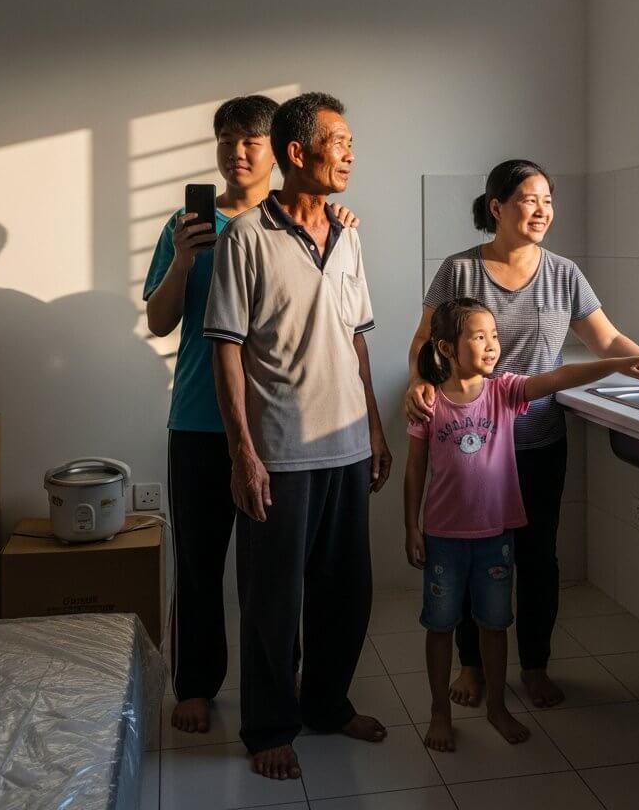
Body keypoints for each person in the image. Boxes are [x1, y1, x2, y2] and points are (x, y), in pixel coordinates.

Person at [405, 159, 639, 710]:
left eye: (548, 202)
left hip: (536, 442)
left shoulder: (564, 274)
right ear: (497, 208)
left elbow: (608, 342)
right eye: (529, 200)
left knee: (536, 557)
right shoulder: (459, 271)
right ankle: (470, 665)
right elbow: (424, 342)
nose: (542, 212)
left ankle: (533, 665)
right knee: (465, 556)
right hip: (469, 445)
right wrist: (418, 384)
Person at [143, 95, 359, 736]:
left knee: (282, 576)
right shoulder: (191, 226)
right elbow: (159, 321)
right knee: (201, 564)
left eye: (249, 141)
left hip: (282, 431)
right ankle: (198, 684)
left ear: (279, 153)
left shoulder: (310, 222)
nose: (235, 153)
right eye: (225, 140)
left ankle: (291, 690)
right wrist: (183, 260)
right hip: (202, 423)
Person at [205, 92, 392, 780]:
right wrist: (242, 452)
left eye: (348, 141)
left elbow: (356, 340)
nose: (349, 153)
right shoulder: (245, 238)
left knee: (347, 594)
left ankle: (327, 705)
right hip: (280, 451)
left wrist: (374, 427)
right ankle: (269, 727)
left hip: (346, 446)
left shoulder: (349, 235)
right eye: (338, 141)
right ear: (298, 152)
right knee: (271, 601)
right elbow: (227, 348)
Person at [405, 297, 639, 751]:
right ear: (445, 347)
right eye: (478, 336)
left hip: (496, 535)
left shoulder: (504, 392)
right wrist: (411, 527)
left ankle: (498, 707)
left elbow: (560, 377)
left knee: (495, 623)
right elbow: (415, 472)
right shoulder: (430, 405)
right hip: (444, 537)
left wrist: (616, 363)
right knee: (440, 626)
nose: (491, 346)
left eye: (495, 337)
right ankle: (438, 713)